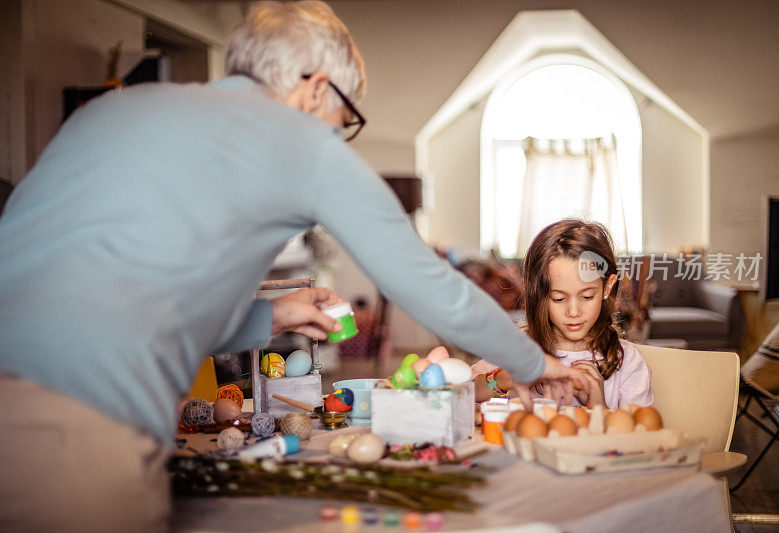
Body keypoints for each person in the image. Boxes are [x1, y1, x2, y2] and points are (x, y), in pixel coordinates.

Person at [0, 2, 589, 530]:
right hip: (73, 424)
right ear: (316, 88)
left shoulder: (110, 111)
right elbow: (424, 281)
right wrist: (534, 363)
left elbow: (138, 297)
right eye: (345, 117)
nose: (339, 137)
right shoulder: (302, 141)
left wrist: (270, 315)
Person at [473, 219, 654, 409]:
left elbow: (642, 435)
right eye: (558, 299)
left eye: (587, 296)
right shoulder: (518, 348)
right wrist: (501, 380)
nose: (574, 312)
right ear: (539, 295)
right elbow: (462, 394)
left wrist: (599, 408)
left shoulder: (627, 362)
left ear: (607, 287)